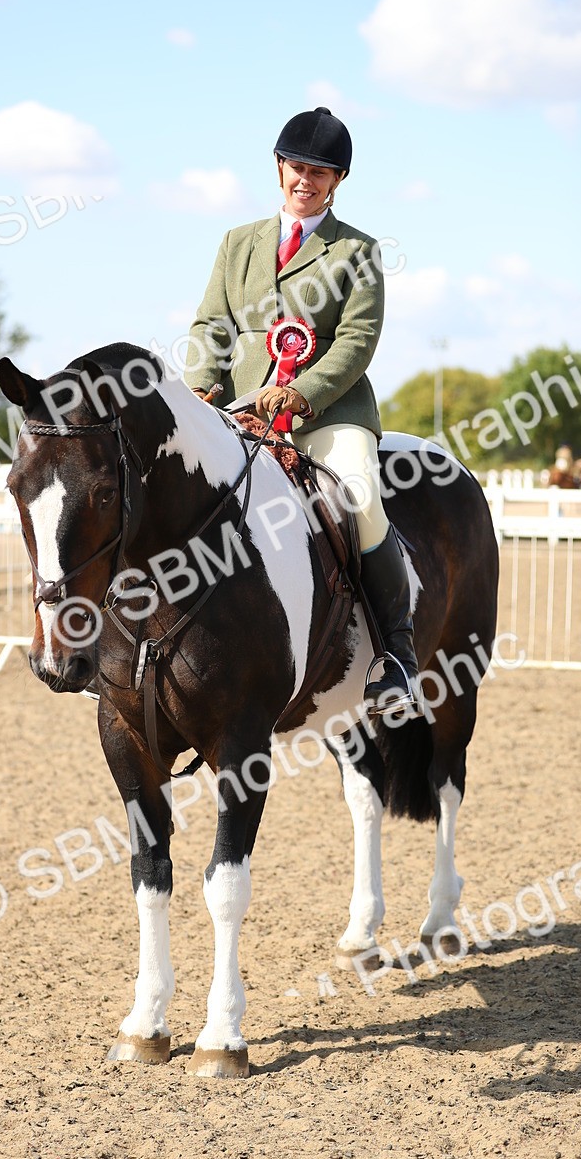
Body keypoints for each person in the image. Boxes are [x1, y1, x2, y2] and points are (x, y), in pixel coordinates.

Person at [183, 106, 418, 714]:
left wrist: (304, 391)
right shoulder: (238, 244)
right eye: (296, 166)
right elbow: (212, 324)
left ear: (337, 180)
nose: (305, 179)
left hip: (329, 415)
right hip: (241, 409)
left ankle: (395, 654)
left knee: (362, 497)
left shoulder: (358, 251)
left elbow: (357, 340)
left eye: (321, 171)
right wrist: (203, 387)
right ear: (279, 167)